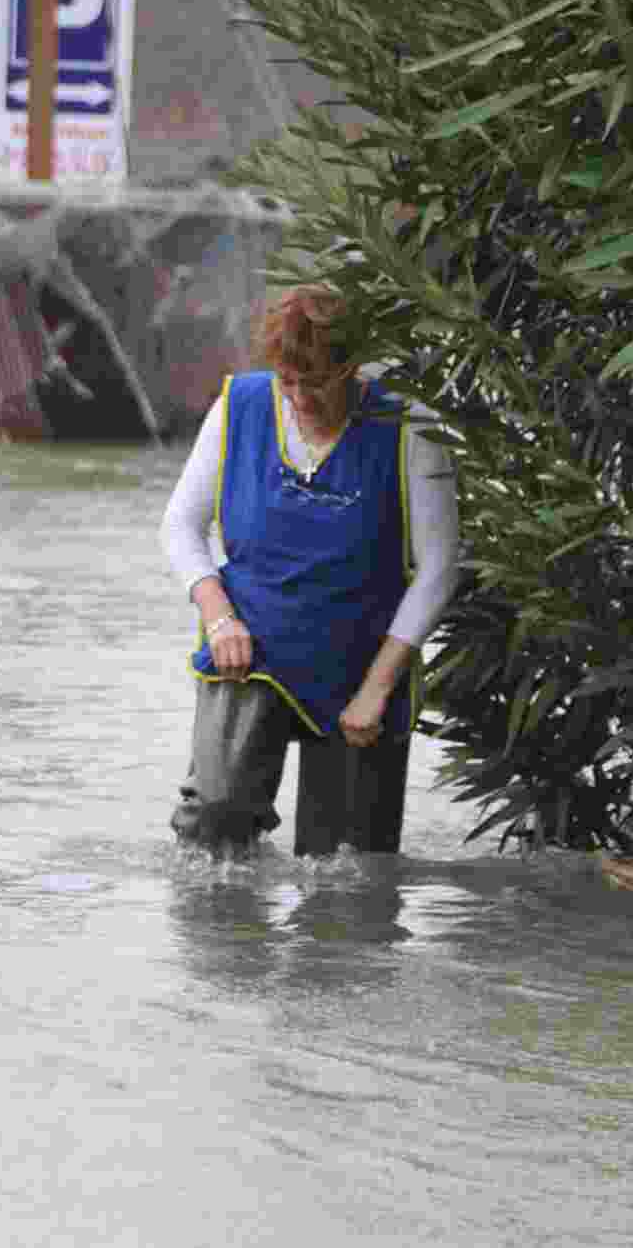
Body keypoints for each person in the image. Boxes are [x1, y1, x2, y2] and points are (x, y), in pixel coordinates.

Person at [159, 286, 460, 857]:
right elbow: (179, 527)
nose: (298, 397)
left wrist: (377, 688)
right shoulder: (237, 406)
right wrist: (220, 619)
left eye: (316, 381)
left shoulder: (410, 426)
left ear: (352, 366)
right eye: (286, 381)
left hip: (360, 660)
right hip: (250, 647)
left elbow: (440, 568)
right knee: (214, 829)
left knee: (347, 873)